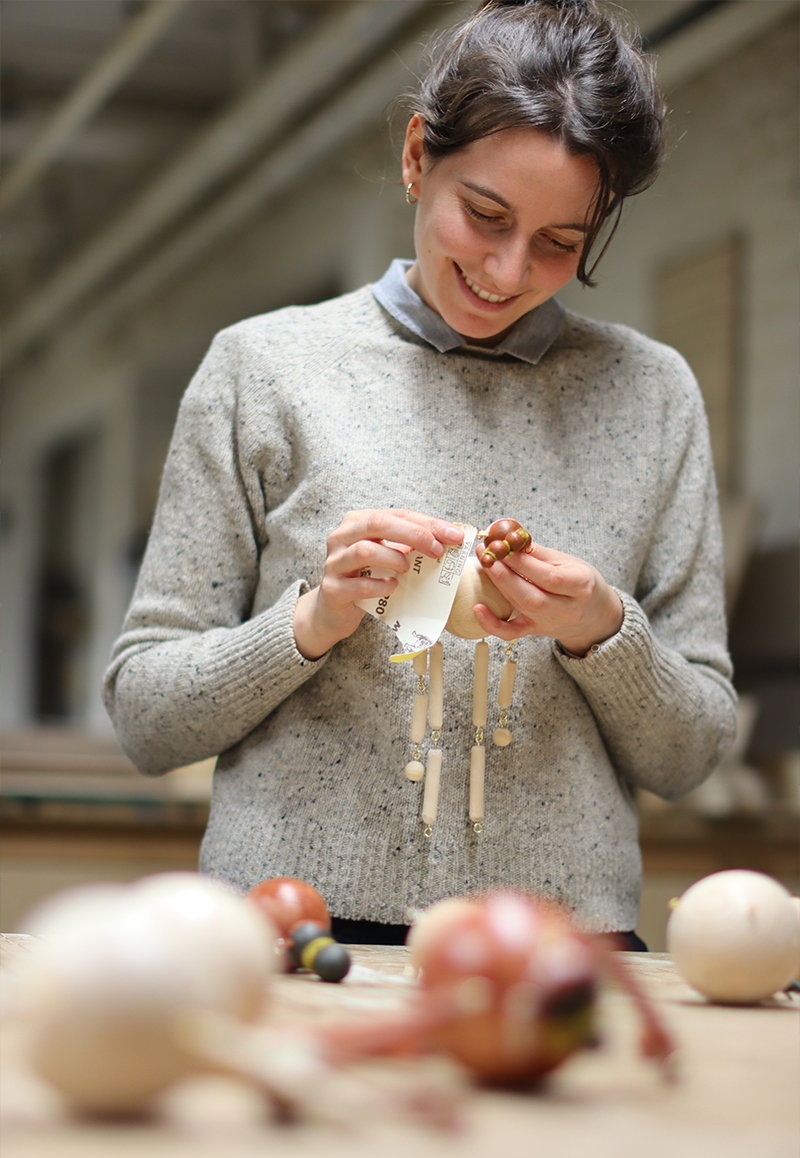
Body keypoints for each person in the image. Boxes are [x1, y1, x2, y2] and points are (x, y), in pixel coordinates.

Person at [104, 0, 736, 948]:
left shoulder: (651, 395)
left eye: (560, 243)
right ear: (415, 157)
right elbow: (147, 719)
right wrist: (313, 619)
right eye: (483, 214)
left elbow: (691, 755)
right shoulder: (262, 369)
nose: (507, 268)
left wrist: (602, 630)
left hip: (563, 948)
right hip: (297, 938)